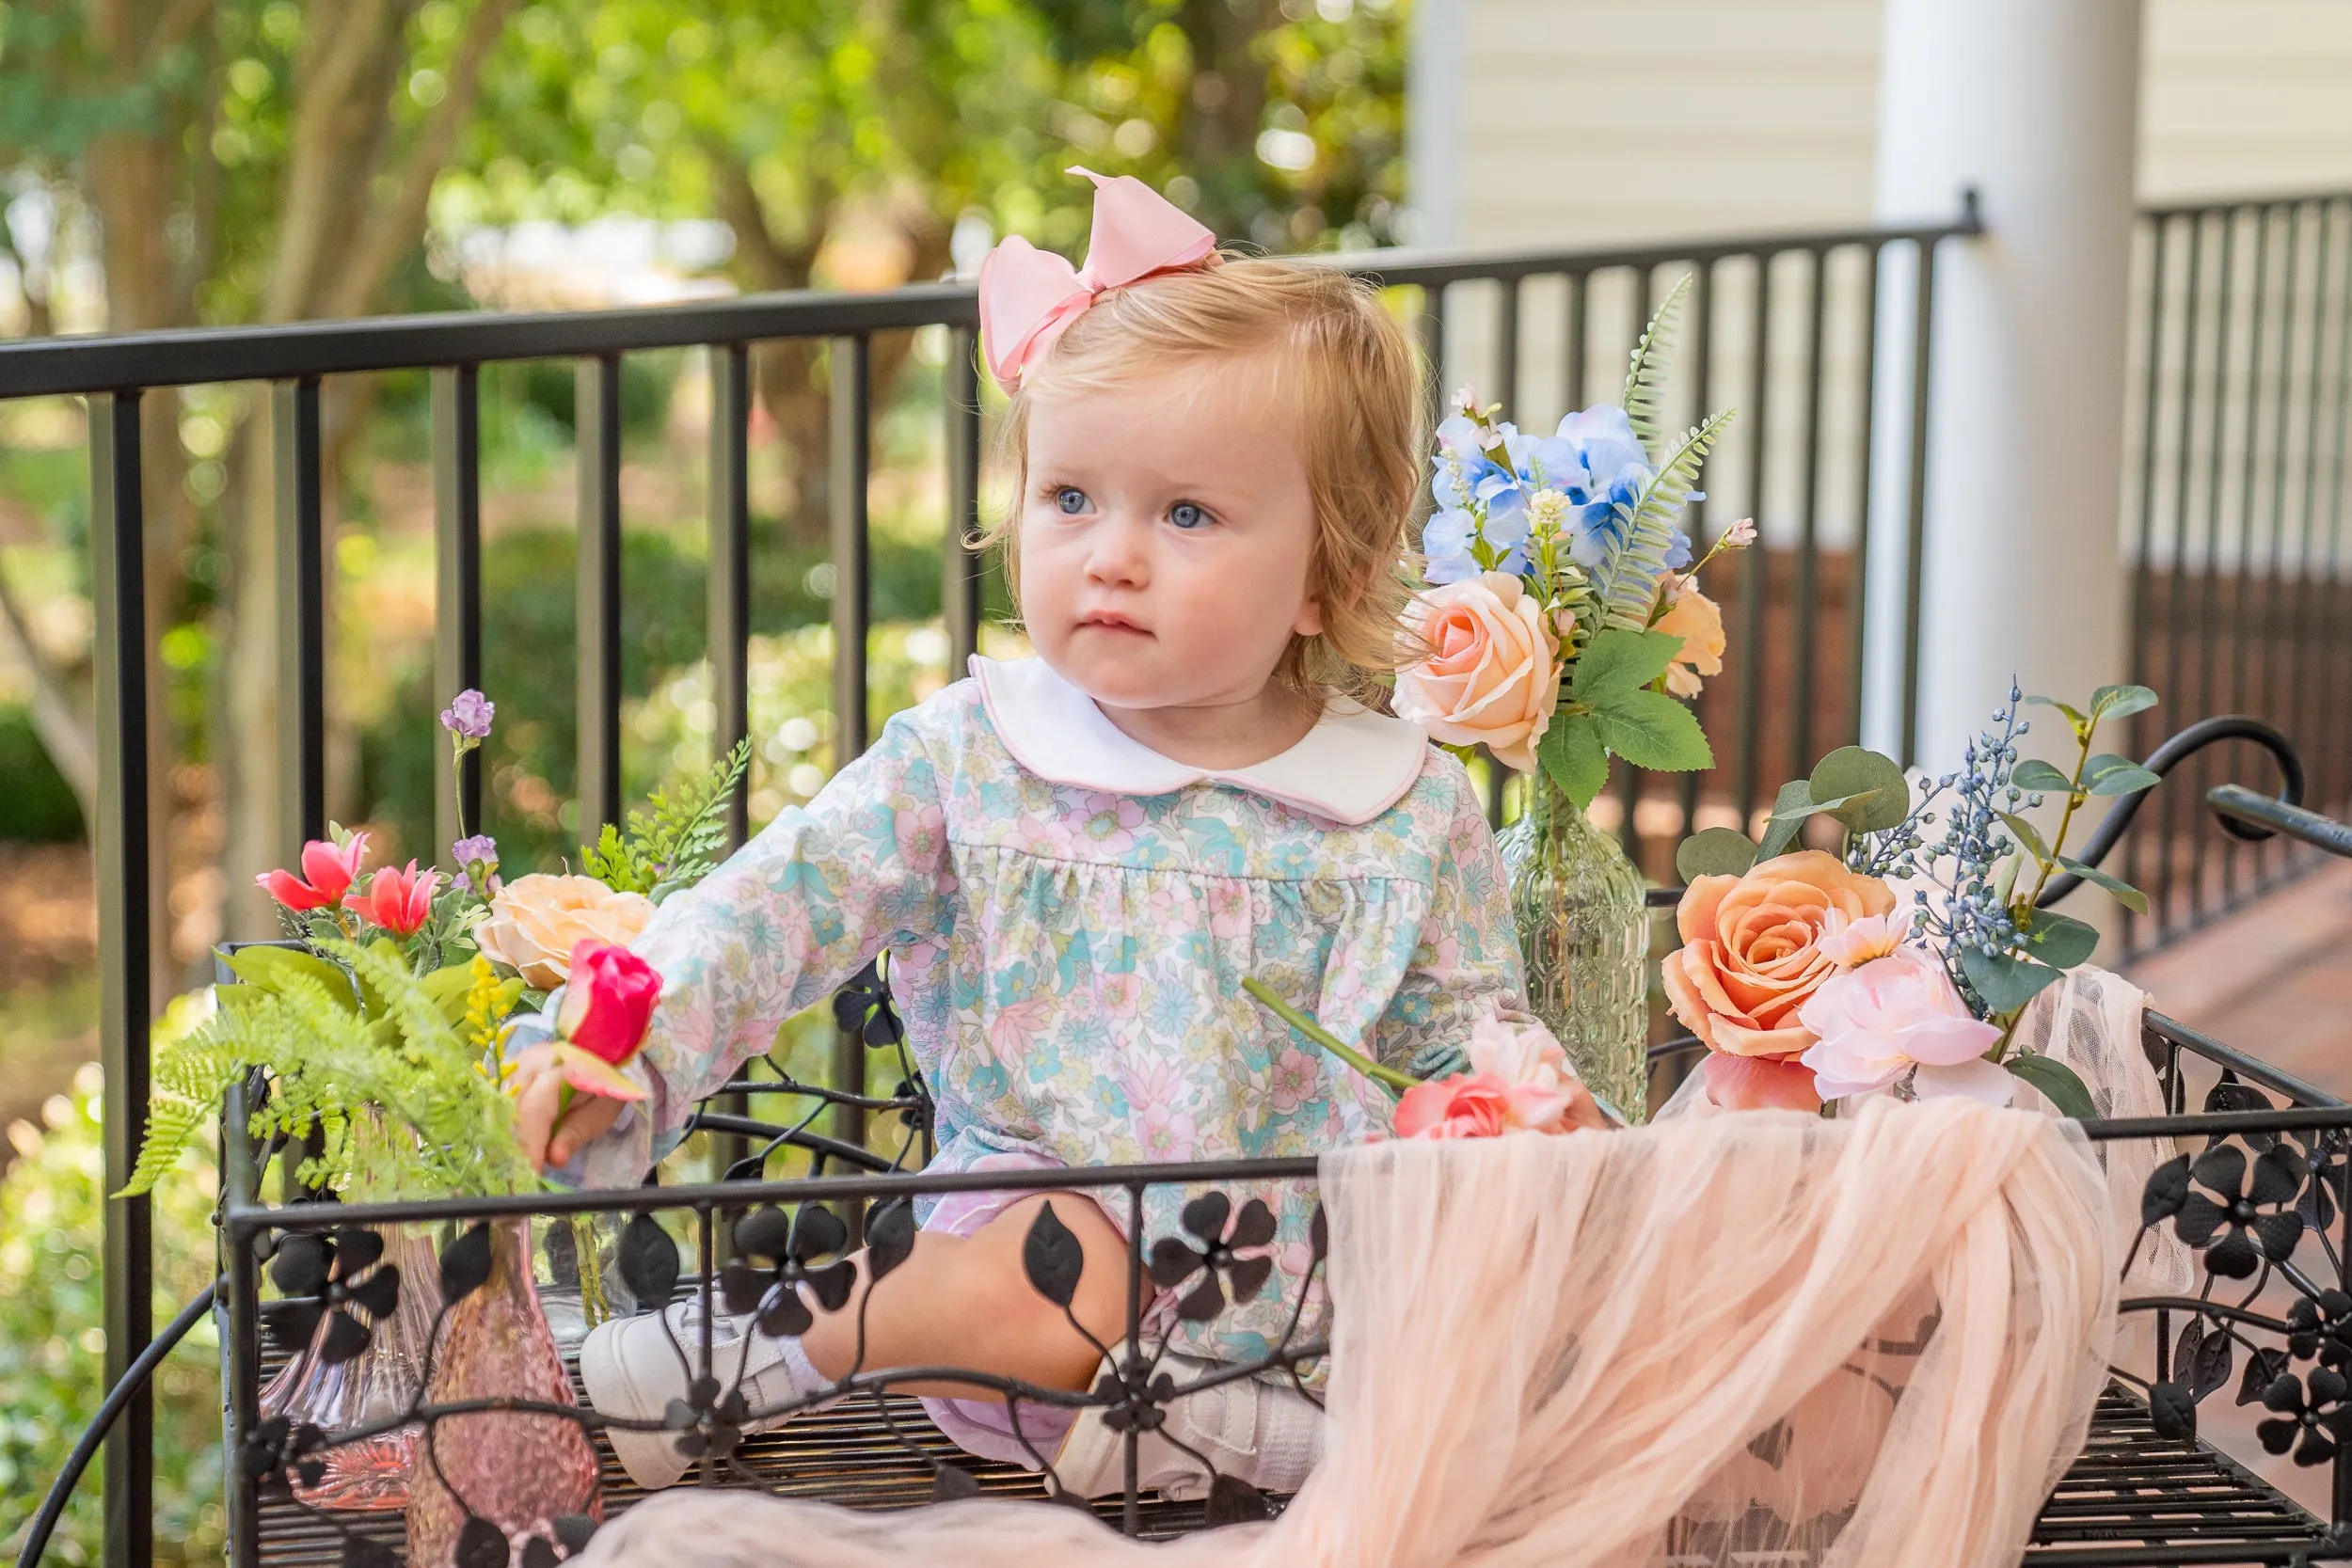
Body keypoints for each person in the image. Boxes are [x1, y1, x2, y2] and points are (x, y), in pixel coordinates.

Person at [503, 166, 1603, 1501]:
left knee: (1505, 1325)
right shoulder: (975, 759)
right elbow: (769, 909)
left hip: (1308, 1298)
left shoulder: (1403, 805)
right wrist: (622, 1050)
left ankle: (1257, 1433)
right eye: (1071, 497)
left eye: (1186, 514)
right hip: (1021, 1297)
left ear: (1330, 578)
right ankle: (761, 1343)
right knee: (1052, 1260)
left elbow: (1459, 1037)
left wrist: (1535, 1121)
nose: (1112, 555)